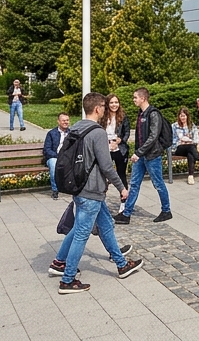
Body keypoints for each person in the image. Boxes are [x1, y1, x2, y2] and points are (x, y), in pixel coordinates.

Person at [51, 92, 143, 294]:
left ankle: (121, 264)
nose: (104, 110)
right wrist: (122, 187)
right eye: (103, 106)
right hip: (91, 190)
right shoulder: (98, 132)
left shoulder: (76, 127)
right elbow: (107, 166)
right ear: (97, 109)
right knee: (82, 234)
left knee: (106, 225)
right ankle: (67, 280)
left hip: (80, 187)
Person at [117, 88, 172, 224]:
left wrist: (138, 152)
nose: (133, 100)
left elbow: (153, 137)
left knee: (158, 183)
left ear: (143, 98)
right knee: (134, 184)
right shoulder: (141, 114)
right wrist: (138, 152)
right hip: (141, 155)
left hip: (152, 155)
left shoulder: (153, 114)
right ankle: (126, 214)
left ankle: (166, 211)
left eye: (135, 97)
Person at [172, 106, 199, 185]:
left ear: (187, 116)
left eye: (184, 116)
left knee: (190, 153)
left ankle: (190, 176)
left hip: (190, 148)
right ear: (179, 116)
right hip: (178, 148)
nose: (183, 118)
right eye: (181, 116)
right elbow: (172, 141)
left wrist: (189, 141)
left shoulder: (192, 126)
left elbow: (196, 139)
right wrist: (181, 141)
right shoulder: (174, 126)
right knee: (191, 147)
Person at [44, 112, 72, 199]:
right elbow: (47, 149)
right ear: (58, 121)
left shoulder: (72, 133)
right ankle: (55, 190)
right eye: (63, 120)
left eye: (67, 120)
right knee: (53, 165)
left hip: (68, 157)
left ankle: (72, 188)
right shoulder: (51, 133)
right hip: (54, 157)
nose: (66, 122)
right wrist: (58, 156)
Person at [102, 95, 130, 181]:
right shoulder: (102, 116)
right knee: (103, 174)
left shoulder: (123, 116)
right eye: (111, 102)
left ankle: (124, 193)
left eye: (116, 102)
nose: (114, 105)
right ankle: (102, 193)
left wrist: (120, 140)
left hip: (119, 148)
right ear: (107, 104)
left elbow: (127, 132)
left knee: (121, 175)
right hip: (105, 147)